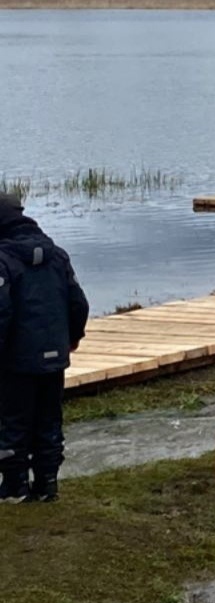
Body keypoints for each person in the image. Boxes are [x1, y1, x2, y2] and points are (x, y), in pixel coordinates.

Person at [0, 192, 90, 503]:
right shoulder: (58, 256)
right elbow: (78, 303)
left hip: (15, 361)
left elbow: (1, 313)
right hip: (54, 357)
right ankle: (47, 484)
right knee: (49, 420)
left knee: (12, 422)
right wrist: (73, 337)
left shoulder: (3, 260)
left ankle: (14, 488)